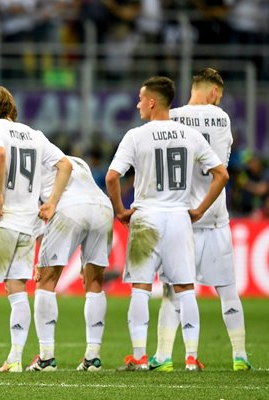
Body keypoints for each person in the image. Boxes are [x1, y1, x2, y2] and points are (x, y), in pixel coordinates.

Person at [105, 76, 229, 372]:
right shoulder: (190, 135)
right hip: (179, 217)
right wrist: (199, 209)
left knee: (141, 287)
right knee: (185, 288)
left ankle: (140, 356)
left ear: (151, 102)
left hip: (146, 216)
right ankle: (190, 358)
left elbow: (112, 177)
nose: (137, 104)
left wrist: (121, 211)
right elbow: (222, 174)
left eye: (139, 98)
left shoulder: (136, 136)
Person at [151, 68, 251, 372]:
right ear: (214, 93)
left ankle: (165, 356)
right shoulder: (222, 119)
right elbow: (223, 162)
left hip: (180, 215)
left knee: (173, 289)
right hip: (215, 215)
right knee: (227, 288)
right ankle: (240, 356)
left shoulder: (171, 117)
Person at [0, 86, 71, 372]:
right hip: (28, 222)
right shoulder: (34, 134)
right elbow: (65, 165)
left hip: (1, 218)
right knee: (16, 289)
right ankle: (14, 358)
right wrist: (51, 202)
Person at [26, 155, 113, 372]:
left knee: (46, 281)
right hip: (103, 207)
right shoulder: (78, 161)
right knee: (94, 282)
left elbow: (39, 211)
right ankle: (93, 357)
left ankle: (46, 358)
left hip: (69, 208)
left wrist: (40, 261)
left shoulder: (32, 164)